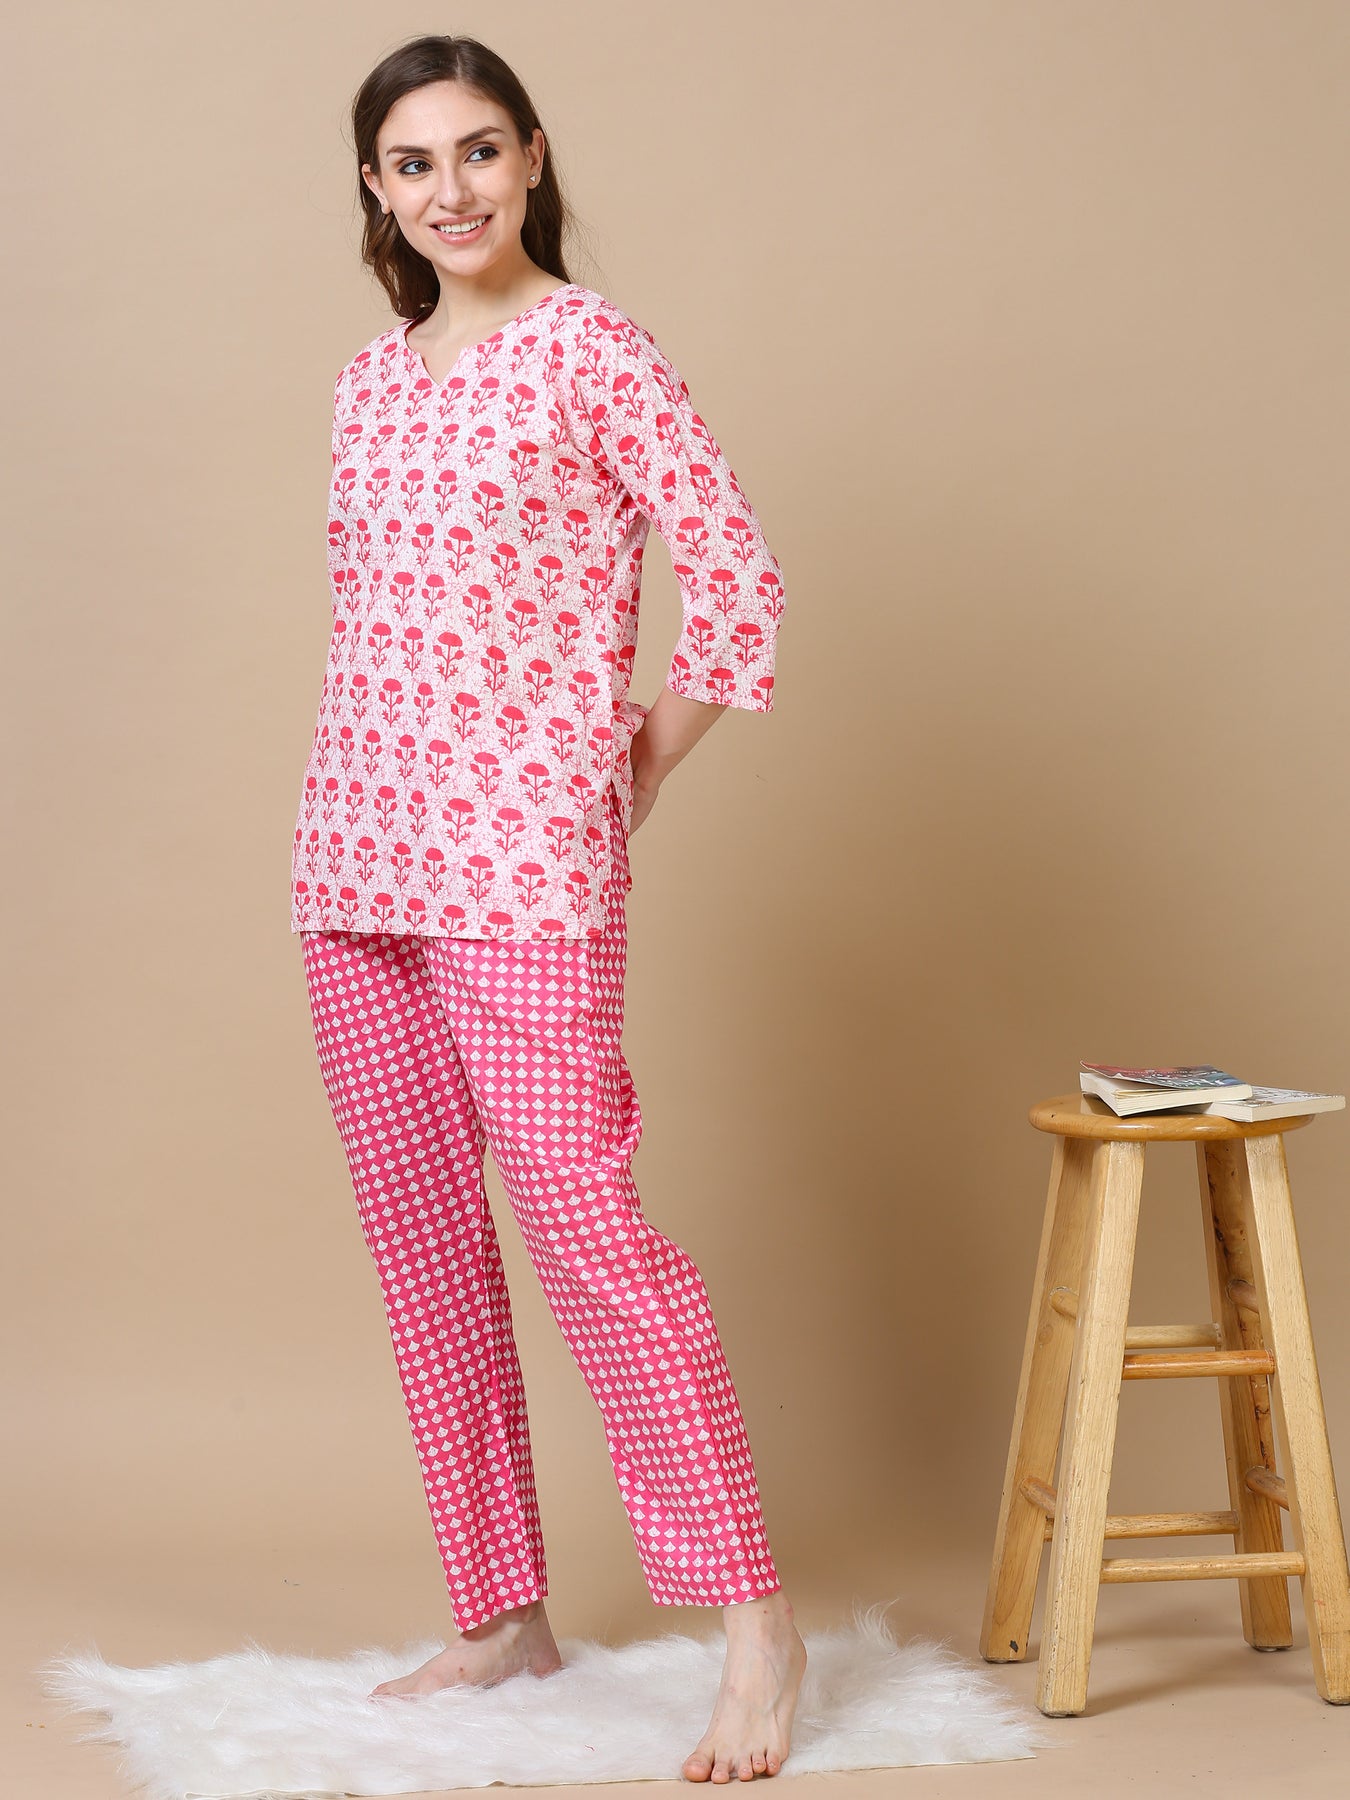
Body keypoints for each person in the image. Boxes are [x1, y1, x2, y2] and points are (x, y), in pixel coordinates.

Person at [291, 33, 806, 1783]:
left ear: (529, 158)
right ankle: (502, 1610)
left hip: (521, 865)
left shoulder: (594, 350)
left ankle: (754, 1619)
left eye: (478, 151)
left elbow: (738, 582)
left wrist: (635, 761)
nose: (450, 189)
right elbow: (378, 617)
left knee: (587, 1231)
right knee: (426, 1244)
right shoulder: (367, 383)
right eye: (412, 162)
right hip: (353, 857)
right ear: (376, 191)